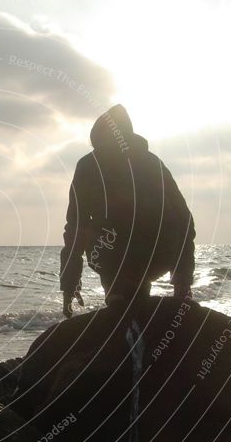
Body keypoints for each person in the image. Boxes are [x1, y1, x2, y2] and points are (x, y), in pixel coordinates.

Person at [60, 104, 195, 317]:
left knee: (107, 228)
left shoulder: (91, 165)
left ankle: (120, 297)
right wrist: (183, 281)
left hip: (136, 254)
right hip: (141, 257)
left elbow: (77, 226)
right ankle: (127, 299)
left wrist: (70, 283)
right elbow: (185, 220)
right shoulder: (150, 163)